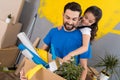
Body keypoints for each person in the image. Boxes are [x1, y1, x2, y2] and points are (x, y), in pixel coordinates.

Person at [20, 2, 83, 80]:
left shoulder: (83, 38)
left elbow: (83, 67)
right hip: (48, 72)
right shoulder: (54, 31)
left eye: (74, 19)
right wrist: (26, 69)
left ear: (79, 19)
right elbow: (39, 54)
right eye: (67, 17)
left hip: (66, 76)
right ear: (63, 15)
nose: (70, 22)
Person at [59, 6, 102, 80]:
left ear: (94, 23)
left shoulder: (86, 30)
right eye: (85, 17)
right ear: (83, 14)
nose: (86, 21)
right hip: (72, 44)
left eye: (90, 21)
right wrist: (61, 26)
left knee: (83, 66)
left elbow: (85, 47)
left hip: (81, 49)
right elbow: (70, 23)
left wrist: (70, 54)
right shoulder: (79, 19)